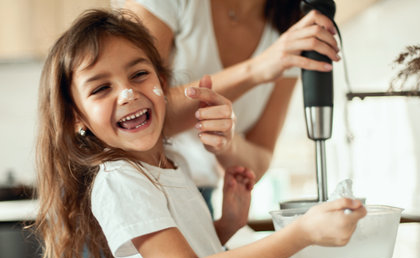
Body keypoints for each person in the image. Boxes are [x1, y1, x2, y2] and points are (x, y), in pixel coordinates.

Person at [33, 9, 365, 258]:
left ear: (162, 83)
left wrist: (227, 224)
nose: (128, 92)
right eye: (101, 88)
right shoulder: (120, 179)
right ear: (76, 117)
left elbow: (181, 254)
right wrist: (302, 233)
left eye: (139, 74)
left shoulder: (171, 166)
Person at [124, 0, 341, 212]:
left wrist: (226, 142)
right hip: (133, 189)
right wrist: (255, 70)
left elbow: (259, 161)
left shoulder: (288, 31)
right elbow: (130, 110)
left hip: (198, 200)